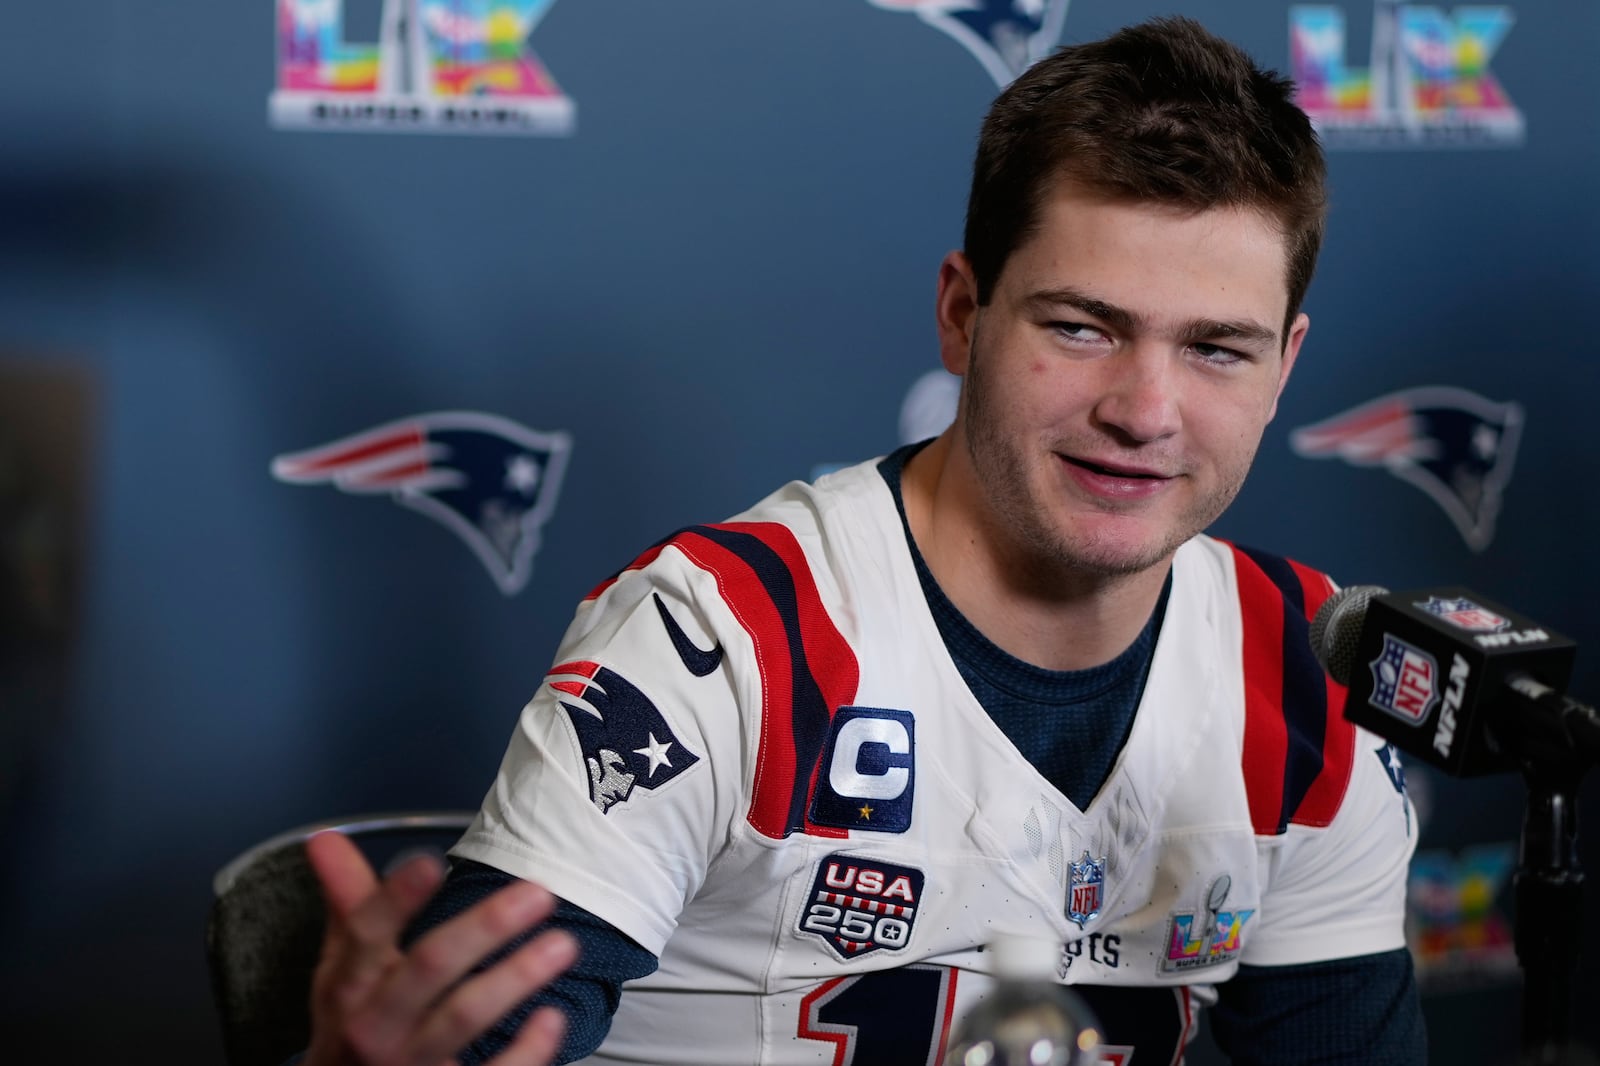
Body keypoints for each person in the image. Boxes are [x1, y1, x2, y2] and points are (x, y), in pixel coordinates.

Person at [300, 15, 1425, 1065]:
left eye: (1217, 350)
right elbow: (472, 1039)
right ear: (962, 314)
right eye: (1083, 328)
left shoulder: (1315, 670)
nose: (1145, 411)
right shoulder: (725, 634)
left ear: (1285, 364)